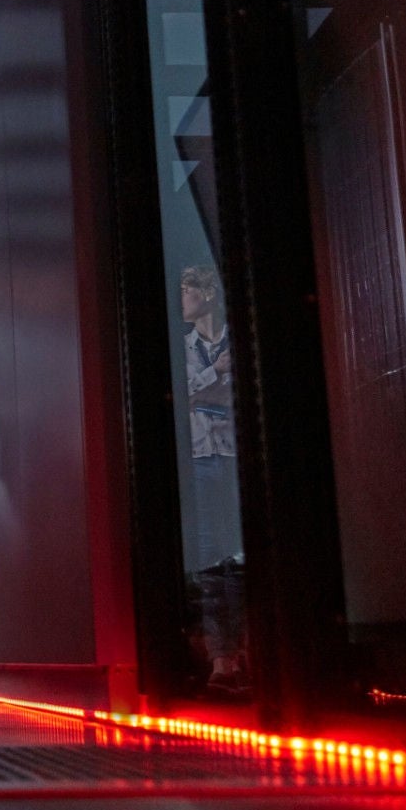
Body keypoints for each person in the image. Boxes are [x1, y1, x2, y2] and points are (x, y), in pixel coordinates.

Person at [180, 264, 247, 694]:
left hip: (232, 454)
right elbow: (186, 391)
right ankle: (222, 658)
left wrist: (209, 384)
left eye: (187, 291)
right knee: (209, 563)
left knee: (239, 559)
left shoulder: (230, 340)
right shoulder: (186, 346)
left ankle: (243, 653)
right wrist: (216, 374)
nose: (182, 299)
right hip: (204, 457)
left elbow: (221, 393)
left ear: (207, 295)